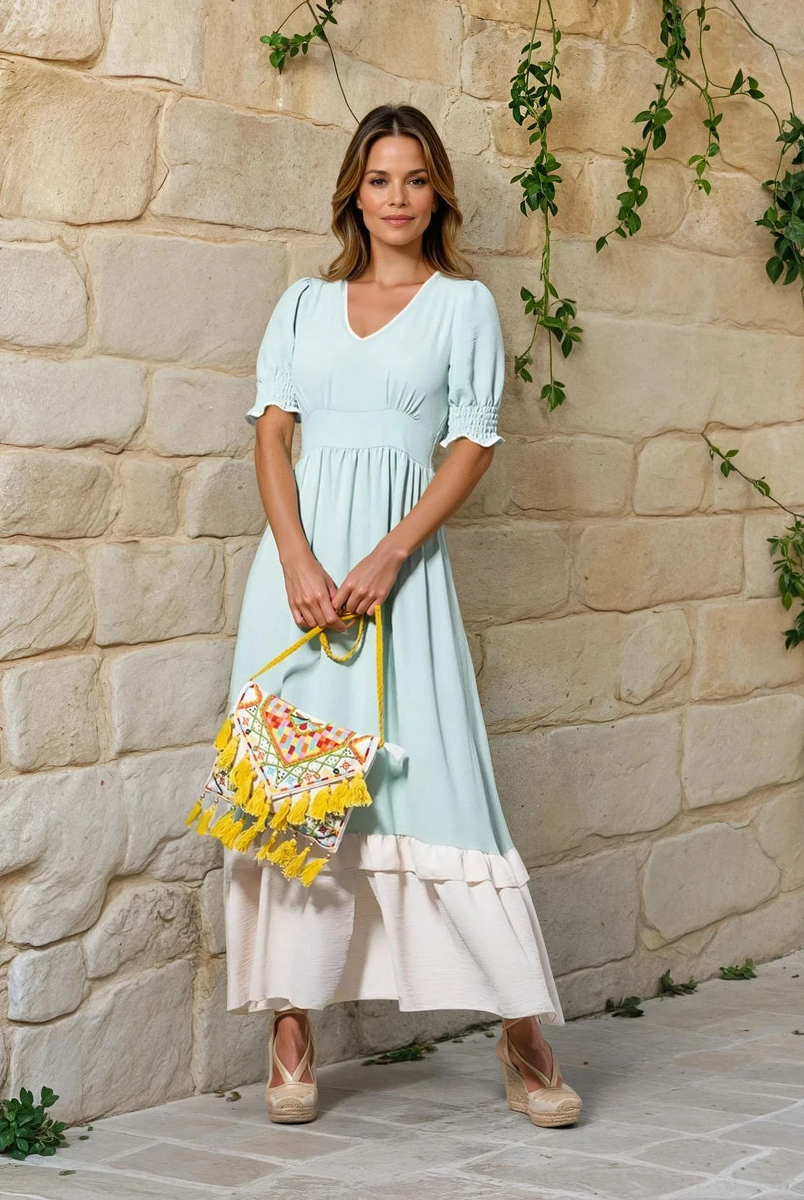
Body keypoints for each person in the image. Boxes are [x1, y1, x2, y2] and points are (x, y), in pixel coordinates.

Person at [220, 103, 580, 1130]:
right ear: (354, 193)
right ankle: (291, 1029)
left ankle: (521, 1035)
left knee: (447, 793)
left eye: (416, 180)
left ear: (438, 194)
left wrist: (388, 555)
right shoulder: (301, 303)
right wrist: (297, 557)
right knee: (293, 801)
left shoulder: (463, 305)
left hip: (402, 584)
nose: (397, 199)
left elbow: (473, 442)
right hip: (296, 584)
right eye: (380, 180)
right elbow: (272, 436)